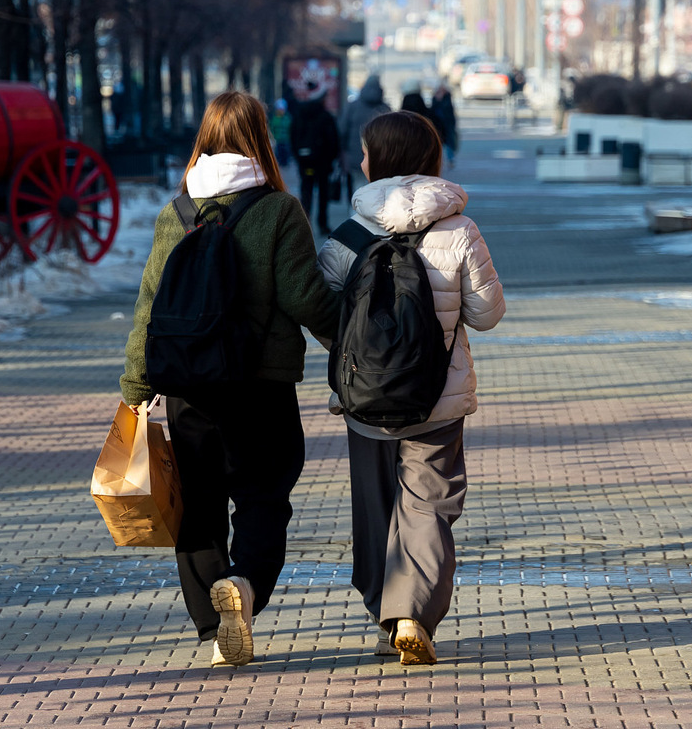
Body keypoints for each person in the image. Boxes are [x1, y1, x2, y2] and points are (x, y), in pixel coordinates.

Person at [120, 91, 341, 668]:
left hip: (189, 386)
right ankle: (242, 589)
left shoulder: (178, 211)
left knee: (199, 504)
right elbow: (303, 296)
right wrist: (349, 338)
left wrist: (135, 386)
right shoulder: (277, 211)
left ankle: (216, 628)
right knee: (265, 493)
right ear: (259, 139)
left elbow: (149, 301)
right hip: (259, 384)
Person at [316, 111, 506, 665]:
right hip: (437, 399)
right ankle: (412, 614)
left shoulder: (349, 234)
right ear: (431, 161)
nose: (359, 161)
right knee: (428, 504)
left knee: (375, 508)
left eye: (365, 152)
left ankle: (383, 610)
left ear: (380, 160)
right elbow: (487, 313)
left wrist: (360, 348)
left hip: (364, 399)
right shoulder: (459, 230)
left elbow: (321, 308)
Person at [290, 83, 341, 235]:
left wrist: (298, 156)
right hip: (323, 162)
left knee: (306, 192)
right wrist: (331, 158)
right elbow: (333, 140)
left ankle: (305, 223)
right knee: (323, 194)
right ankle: (322, 224)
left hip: (304, 161)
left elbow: (293, 136)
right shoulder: (326, 116)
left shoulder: (299, 114)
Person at [339, 74, 390, 196]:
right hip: (379, 158)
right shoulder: (385, 109)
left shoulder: (352, 107)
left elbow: (342, 131)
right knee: (376, 190)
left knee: (357, 188)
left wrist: (343, 154)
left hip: (355, 156)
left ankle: (356, 212)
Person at [430, 82, 458, 169]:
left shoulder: (447, 98)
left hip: (447, 125)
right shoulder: (435, 98)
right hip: (438, 125)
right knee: (438, 144)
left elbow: (449, 112)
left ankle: (450, 159)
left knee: (449, 144)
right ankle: (438, 160)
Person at [269, 98, 292, 167]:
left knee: (286, 151)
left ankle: (286, 161)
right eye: (279, 109)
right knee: (279, 151)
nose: (281, 111)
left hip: (286, 139)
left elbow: (290, 128)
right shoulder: (275, 118)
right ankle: (280, 161)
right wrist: (272, 136)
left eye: (282, 109)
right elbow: (272, 128)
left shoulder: (287, 118)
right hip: (278, 139)